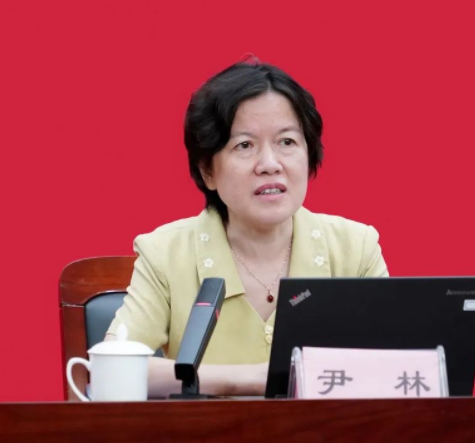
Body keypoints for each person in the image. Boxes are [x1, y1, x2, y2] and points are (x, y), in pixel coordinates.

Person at [105, 58, 389, 398]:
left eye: (287, 142)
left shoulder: (355, 248)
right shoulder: (165, 254)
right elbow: (113, 370)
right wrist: (250, 379)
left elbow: (397, 366)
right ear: (207, 171)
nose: (270, 164)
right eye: (244, 145)